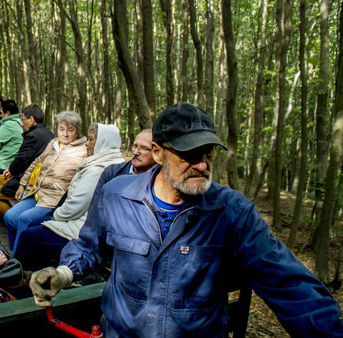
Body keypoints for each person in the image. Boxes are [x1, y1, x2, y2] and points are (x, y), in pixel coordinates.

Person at [29, 103, 343, 338]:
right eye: (189, 154)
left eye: (209, 153)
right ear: (158, 152)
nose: (203, 164)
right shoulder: (115, 195)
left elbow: (288, 283)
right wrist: (64, 273)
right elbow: (88, 245)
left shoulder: (231, 212)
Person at [15, 123, 124, 271]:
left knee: (28, 236)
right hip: (75, 219)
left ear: (102, 143)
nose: (87, 144)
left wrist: (56, 215)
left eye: (91, 140)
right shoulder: (104, 162)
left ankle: (23, 282)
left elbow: (77, 204)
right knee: (31, 224)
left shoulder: (98, 170)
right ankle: (35, 272)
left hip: (81, 229)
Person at [4, 110, 87, 255]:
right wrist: (22, 184)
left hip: (54, 201)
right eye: (61, 129)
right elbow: (36, 162)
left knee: (25, 219)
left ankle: (18, 261)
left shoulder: (83, 150)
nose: (65, 134)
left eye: (70, 130)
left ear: (78, 131)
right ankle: (14, 251)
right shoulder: (53, 143)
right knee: (10, 217)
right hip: (37, 193)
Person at [0, 104, 54, 230]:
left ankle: (5, 220)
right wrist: (11, 170)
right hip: (26, 175)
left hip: (29, 182)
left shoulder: (33, 136)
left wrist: (11, 170)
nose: (21, 123)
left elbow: (21, 158)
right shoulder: (47, 133)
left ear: (31, 120)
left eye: (23, 119)